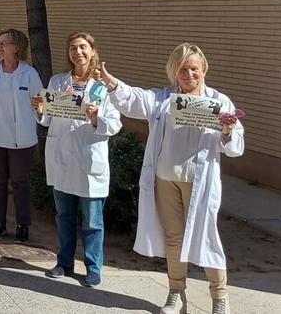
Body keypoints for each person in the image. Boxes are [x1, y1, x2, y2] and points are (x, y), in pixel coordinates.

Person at [95, 44, 244, 314]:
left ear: (203, 69)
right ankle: (176, 294)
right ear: (174, 71)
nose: (189, 74)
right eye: (182, 69)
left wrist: (227, 129)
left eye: (194, 68)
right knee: (173, 238)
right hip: (166, 179)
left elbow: (235, 147)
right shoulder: (163, 99)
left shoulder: (219, 102)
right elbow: (134, 99)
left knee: (206, 236)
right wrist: (111, 82)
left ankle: (219, 297)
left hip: (199, 181)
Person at [31, 32, 122, 287]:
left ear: (92, 50)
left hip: (89, 161)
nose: (78, 52)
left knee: (93, 221)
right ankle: (64, 263)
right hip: (62, 158)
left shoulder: (104, 86)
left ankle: (93, 268)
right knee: (64, 217)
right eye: (73, 48)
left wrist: (95, 118)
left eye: (83, 47)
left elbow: (115, 124)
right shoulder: (58, 81)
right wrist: (39, 109)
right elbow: (47, 120)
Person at [0, 28, 42, 243]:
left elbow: (39, 103)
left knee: (20, 182)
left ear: (17, 48)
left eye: (4, 43)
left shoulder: (29, 73)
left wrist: (40, 108)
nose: (0, 47)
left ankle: (23, 225)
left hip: (21, 137)